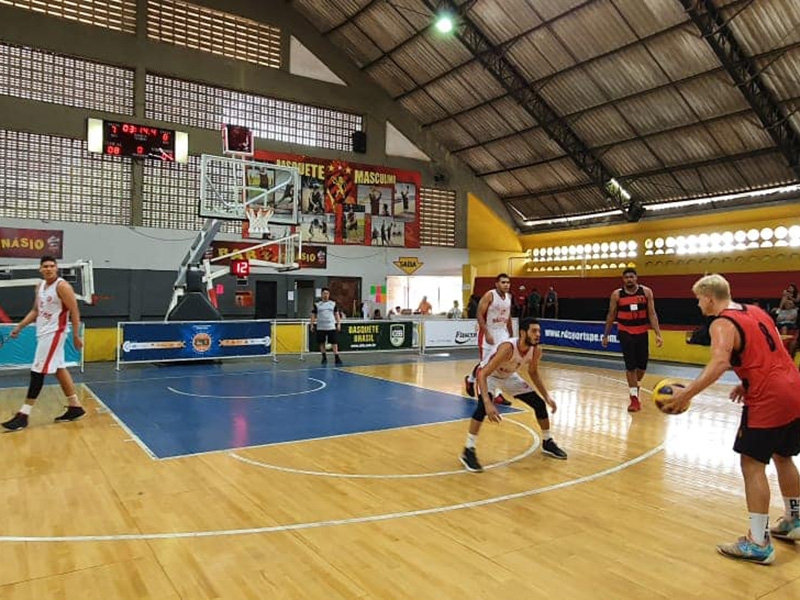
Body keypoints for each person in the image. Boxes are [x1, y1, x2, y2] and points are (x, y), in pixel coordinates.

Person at [662, 274, 800, 565]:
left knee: (751, 464)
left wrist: (688, 393)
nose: (698, 305)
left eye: (699, 299)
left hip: (768, 398)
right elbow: (770, 350)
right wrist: (747, 380)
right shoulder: (756, 311)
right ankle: (794, 520)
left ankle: (758, 542)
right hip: (793, 387)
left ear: (710, 298)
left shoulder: (722, 323)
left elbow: (720, 362)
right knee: (783, 455)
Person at [459, 317, 568, 472]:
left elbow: (534, 372)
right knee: (483, 408)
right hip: (489, 376)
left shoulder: (536, 350)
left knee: (539, 404)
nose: (538, 334)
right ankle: (468, 450)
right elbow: (483, 374)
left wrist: (547, 396)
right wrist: (489, 403)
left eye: (539, 331)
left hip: (509, 376)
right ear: (523, 333)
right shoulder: (508, 348)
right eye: (534, 331)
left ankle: (547, 441)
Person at [2, 255, 86, 431]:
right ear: (40, 269)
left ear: (56, 268)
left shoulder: (62, 286)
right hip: (43, 332)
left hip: (55, 333)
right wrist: (20, 327)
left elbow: (74, 310)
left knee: (37, 372)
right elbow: (35, 310)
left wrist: (77, 335)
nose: (48, 268)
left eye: (52, 266)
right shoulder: (39, 286)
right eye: (45, 266)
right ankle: (75, 406)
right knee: (59, 369)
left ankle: (23, 415)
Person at [602, 268, 663, 412]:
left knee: (642, 366)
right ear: (623, 279)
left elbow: (652, 314)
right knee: (630, 366)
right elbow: (611, 315)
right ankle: (634, 398)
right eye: (626, 277)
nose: (629, 279)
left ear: (636, 278)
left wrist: (658, 334)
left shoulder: (646, 292)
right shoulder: (617, 295)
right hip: (625, 332)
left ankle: (635, 385)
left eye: (631, 277)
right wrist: (606, 335)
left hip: (642, 332)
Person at [464, 273, 514, 406]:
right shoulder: (489, 295)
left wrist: (511, 335)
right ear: (497, 284)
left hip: (502, 332)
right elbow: (479, 314)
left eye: (508, 282)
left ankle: (497, 394)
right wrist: (486, 332)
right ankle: (471, 381)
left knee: (500, 363)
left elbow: (508, 317)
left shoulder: (509, 297)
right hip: (489, 331)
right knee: (486, 364)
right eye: (503, 282)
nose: (506, 285)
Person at [311, 287, 342, 366]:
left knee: (334, 342)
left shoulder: (333, 304)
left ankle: (336, 357)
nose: (326, 295)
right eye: (324, 293)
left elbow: (336, 314)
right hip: (321, 326)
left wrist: (338, 323)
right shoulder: (317, 304)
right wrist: (312, 324)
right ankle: (324, 357)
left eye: (327, 294)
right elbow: (313, 315)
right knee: (321, 342)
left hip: (331, 326)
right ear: (321, 294)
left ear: (329, 295)